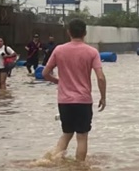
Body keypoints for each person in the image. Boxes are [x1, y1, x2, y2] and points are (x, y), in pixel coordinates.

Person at [42, 19, 107, 162]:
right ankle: (80, 170)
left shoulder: (59, 50)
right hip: (83, 100)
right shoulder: (92, 52)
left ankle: (52, 161)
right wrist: (103, 97)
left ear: (68, 32)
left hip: (64, 101)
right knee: (82, 137)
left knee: (66, 134)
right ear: (85, 33)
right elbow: (100, 78)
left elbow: (45, 73)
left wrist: (58, 81)